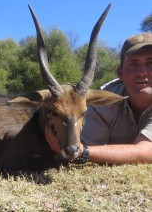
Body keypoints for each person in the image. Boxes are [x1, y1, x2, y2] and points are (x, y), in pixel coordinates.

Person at [45, 32, 152, 165]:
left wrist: (83, 153)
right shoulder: (104, 100)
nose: (142, 72)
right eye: (133, 64)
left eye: (150, 63)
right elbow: (83, 143)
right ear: (120, 73)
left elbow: (146, 152)